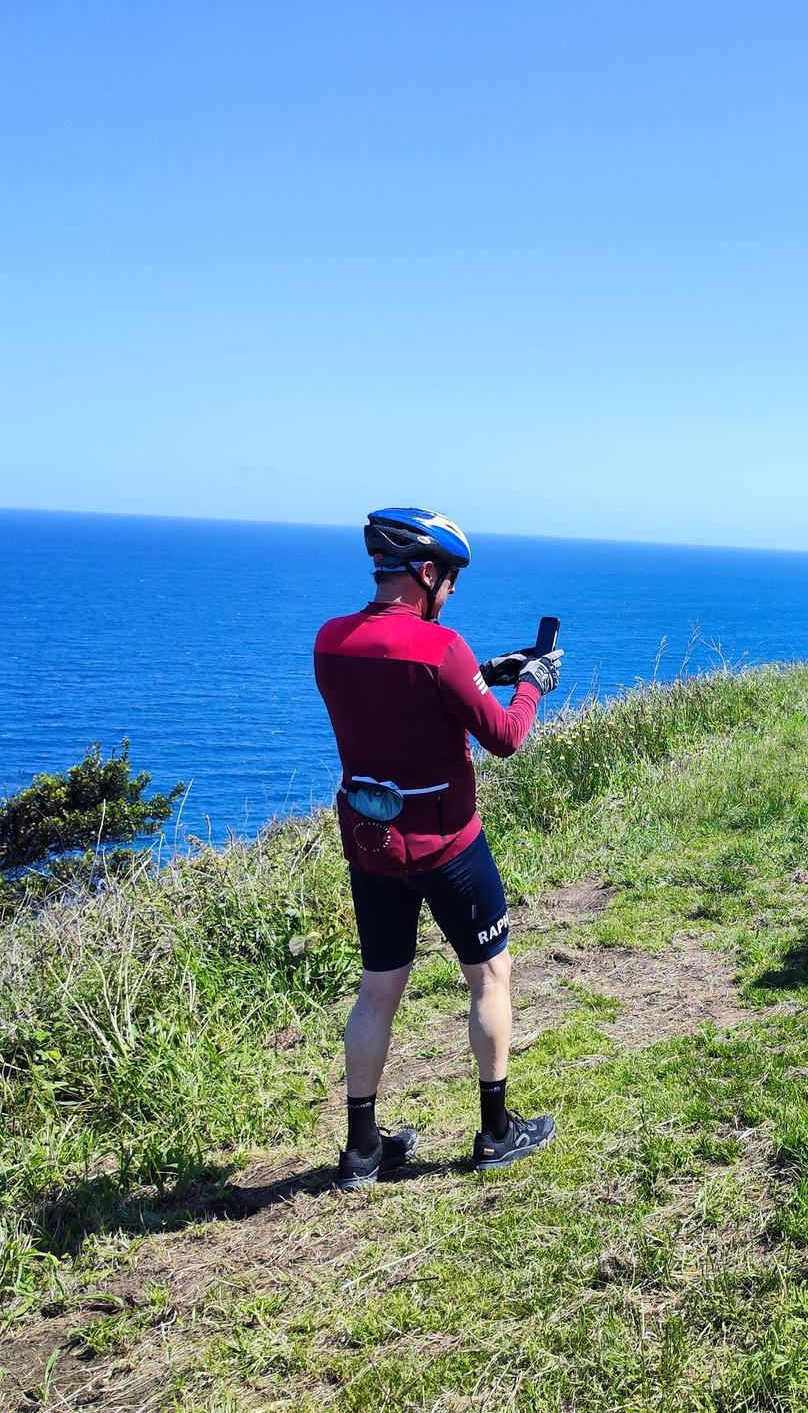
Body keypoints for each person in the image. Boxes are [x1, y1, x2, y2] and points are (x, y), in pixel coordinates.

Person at [313, 507, 565, 1189]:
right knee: (488, 977)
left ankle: (361, 1150)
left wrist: (485, 669)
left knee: (378, 990)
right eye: (449, 580)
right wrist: (531, 687)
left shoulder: (330, 641)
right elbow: (506, 735)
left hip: (372, 848)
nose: (450, 593)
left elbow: (397, 694)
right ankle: (494, 1133)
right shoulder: (440, 647)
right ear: (427, 573)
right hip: (450, 847)